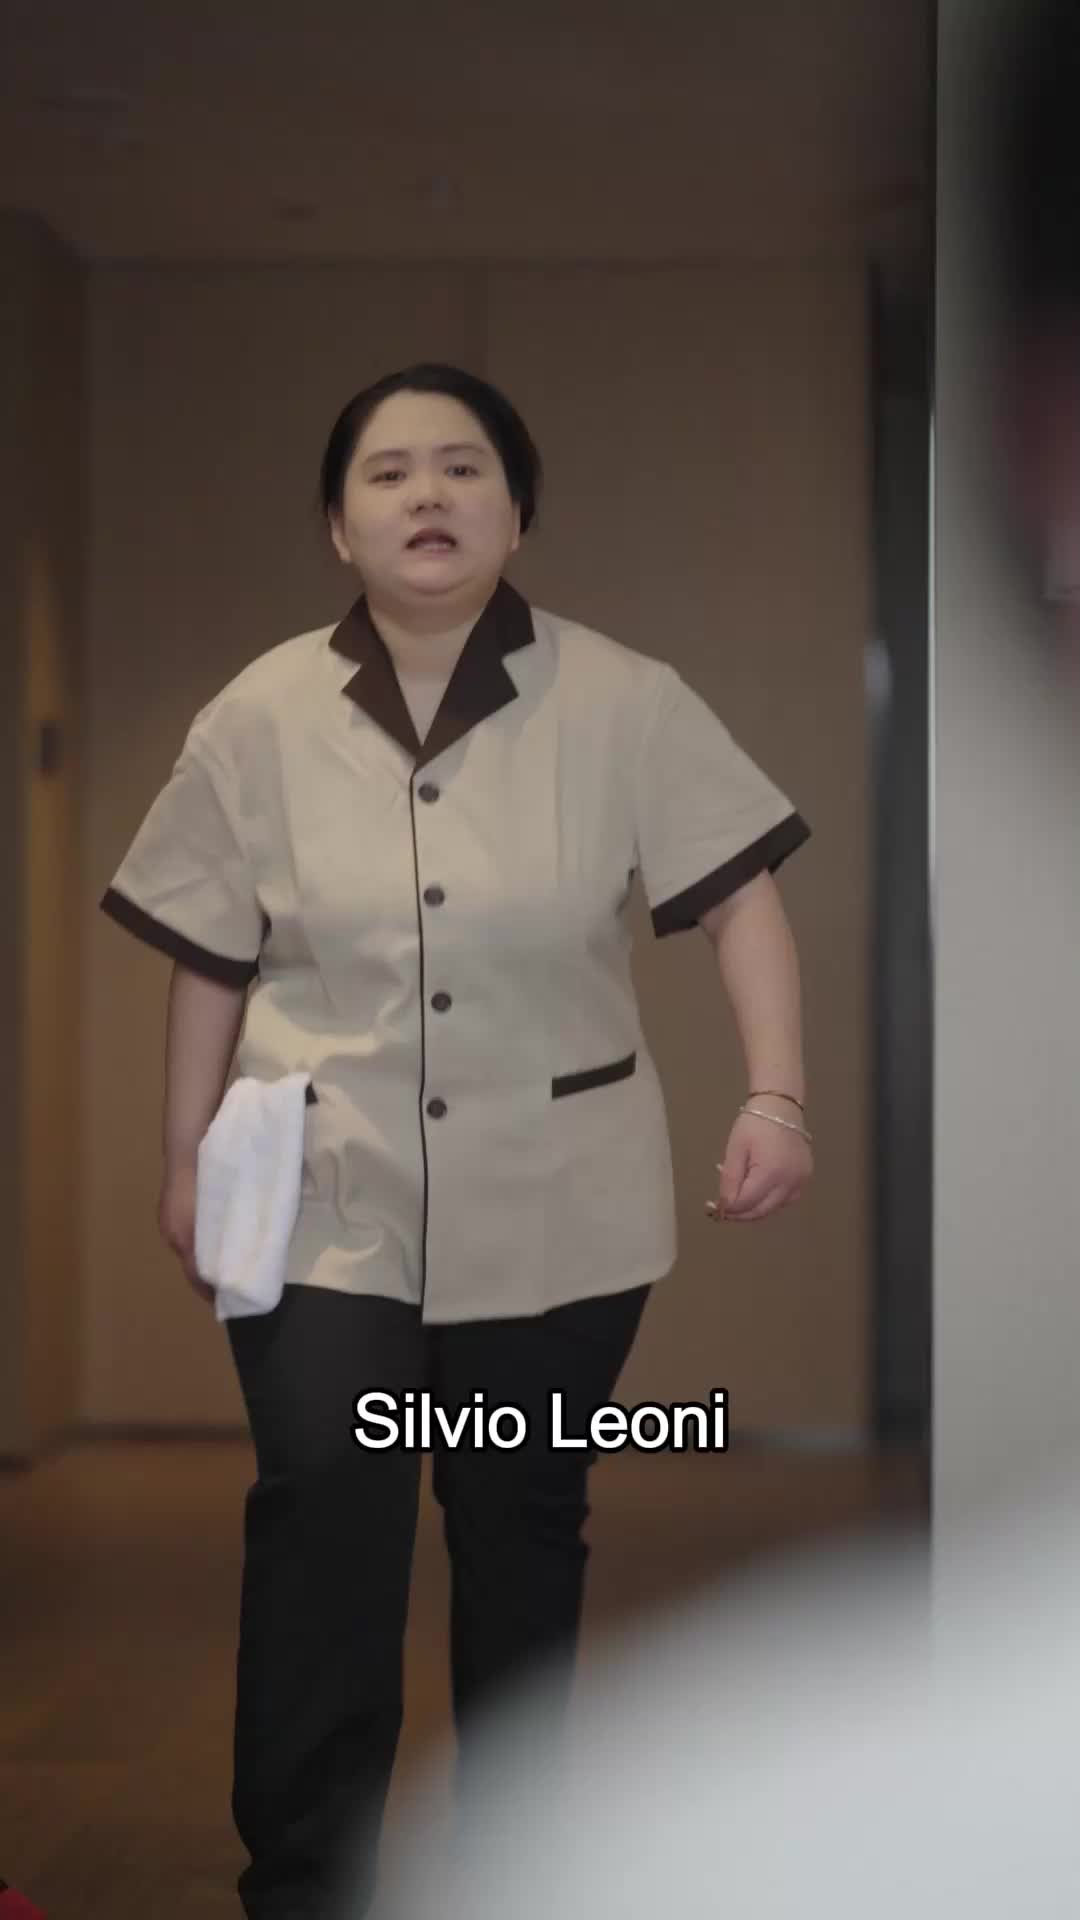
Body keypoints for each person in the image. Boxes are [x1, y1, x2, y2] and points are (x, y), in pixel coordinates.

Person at [99, 362, 814, 1920]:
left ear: (518, 511)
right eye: (389, 472)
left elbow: (739, 896)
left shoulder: (623, 697)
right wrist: (182, 1156)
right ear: (337, 526)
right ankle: (311, 1883)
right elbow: (208, 952)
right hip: (321, 1195)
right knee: (326, 1517)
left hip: (561, 1203)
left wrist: (776, 1095)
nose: (428, 493)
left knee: (519, 1524)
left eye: (464, 466)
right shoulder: (258, 713)